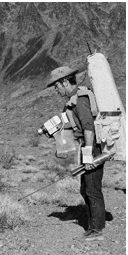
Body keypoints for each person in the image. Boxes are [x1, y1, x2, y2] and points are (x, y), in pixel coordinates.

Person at [47, 66, 105, 241]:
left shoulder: (80, 100)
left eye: (56, 86)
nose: (56, 91)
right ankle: (92, 225)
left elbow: (88, 127)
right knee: (85, 188)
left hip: (93, 147)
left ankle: (97, 230)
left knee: (92, 189)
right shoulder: (73, 100)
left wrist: (88, 154)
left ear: (65, 82)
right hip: (87, 147)